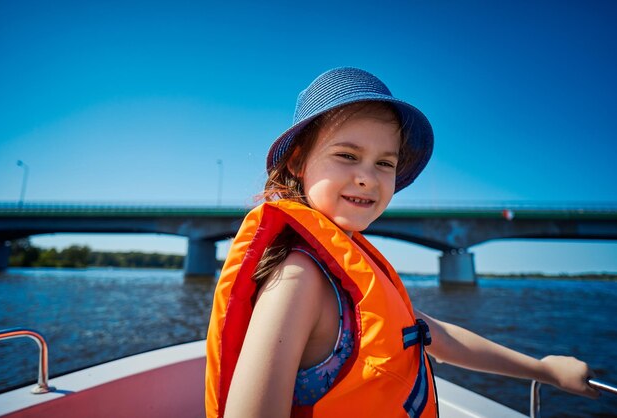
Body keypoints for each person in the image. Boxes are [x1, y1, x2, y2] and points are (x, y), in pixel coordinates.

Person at [205, 67, 599, 418]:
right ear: (297, 162)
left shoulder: (348, 271)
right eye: (347, 155)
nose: (368, 178)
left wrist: (543, 369)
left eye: (385, 163)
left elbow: (429, 335)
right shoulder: (298, 281)